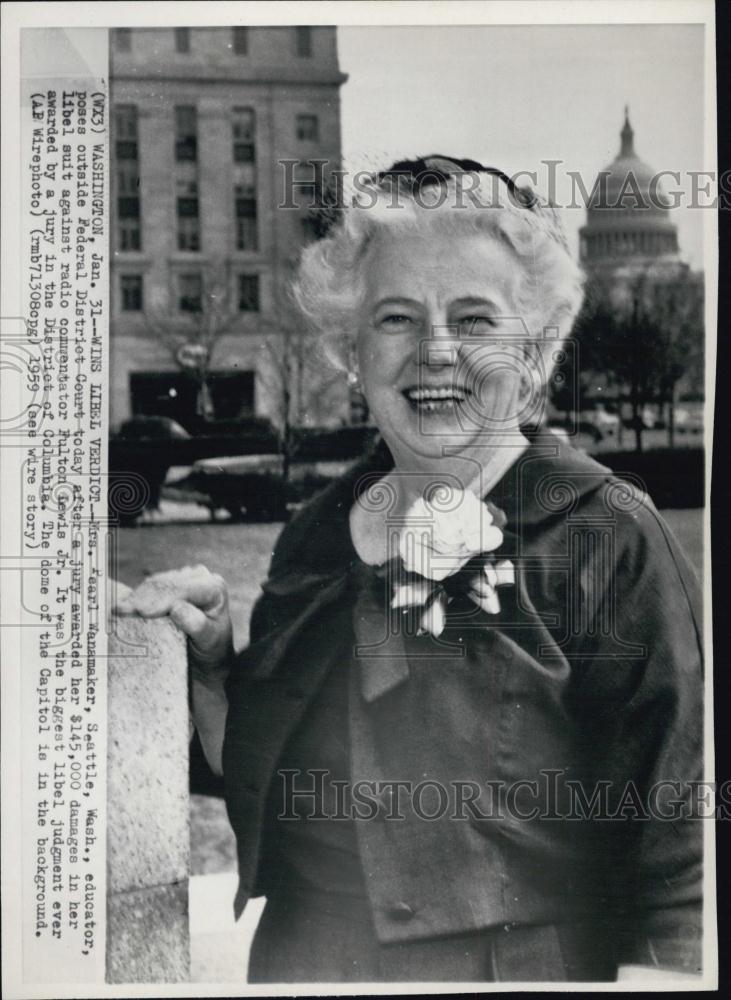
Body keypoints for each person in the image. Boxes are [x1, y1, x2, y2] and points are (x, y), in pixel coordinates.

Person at [116, 157, 704, 983]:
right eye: (396, 318)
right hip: (300, 968)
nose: (434, 352)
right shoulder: (316, 532)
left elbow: (680, 868)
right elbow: (269, 782)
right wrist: (216, 668)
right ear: (351, 350)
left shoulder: (608, 535)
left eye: (473, 321)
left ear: (533, 352)